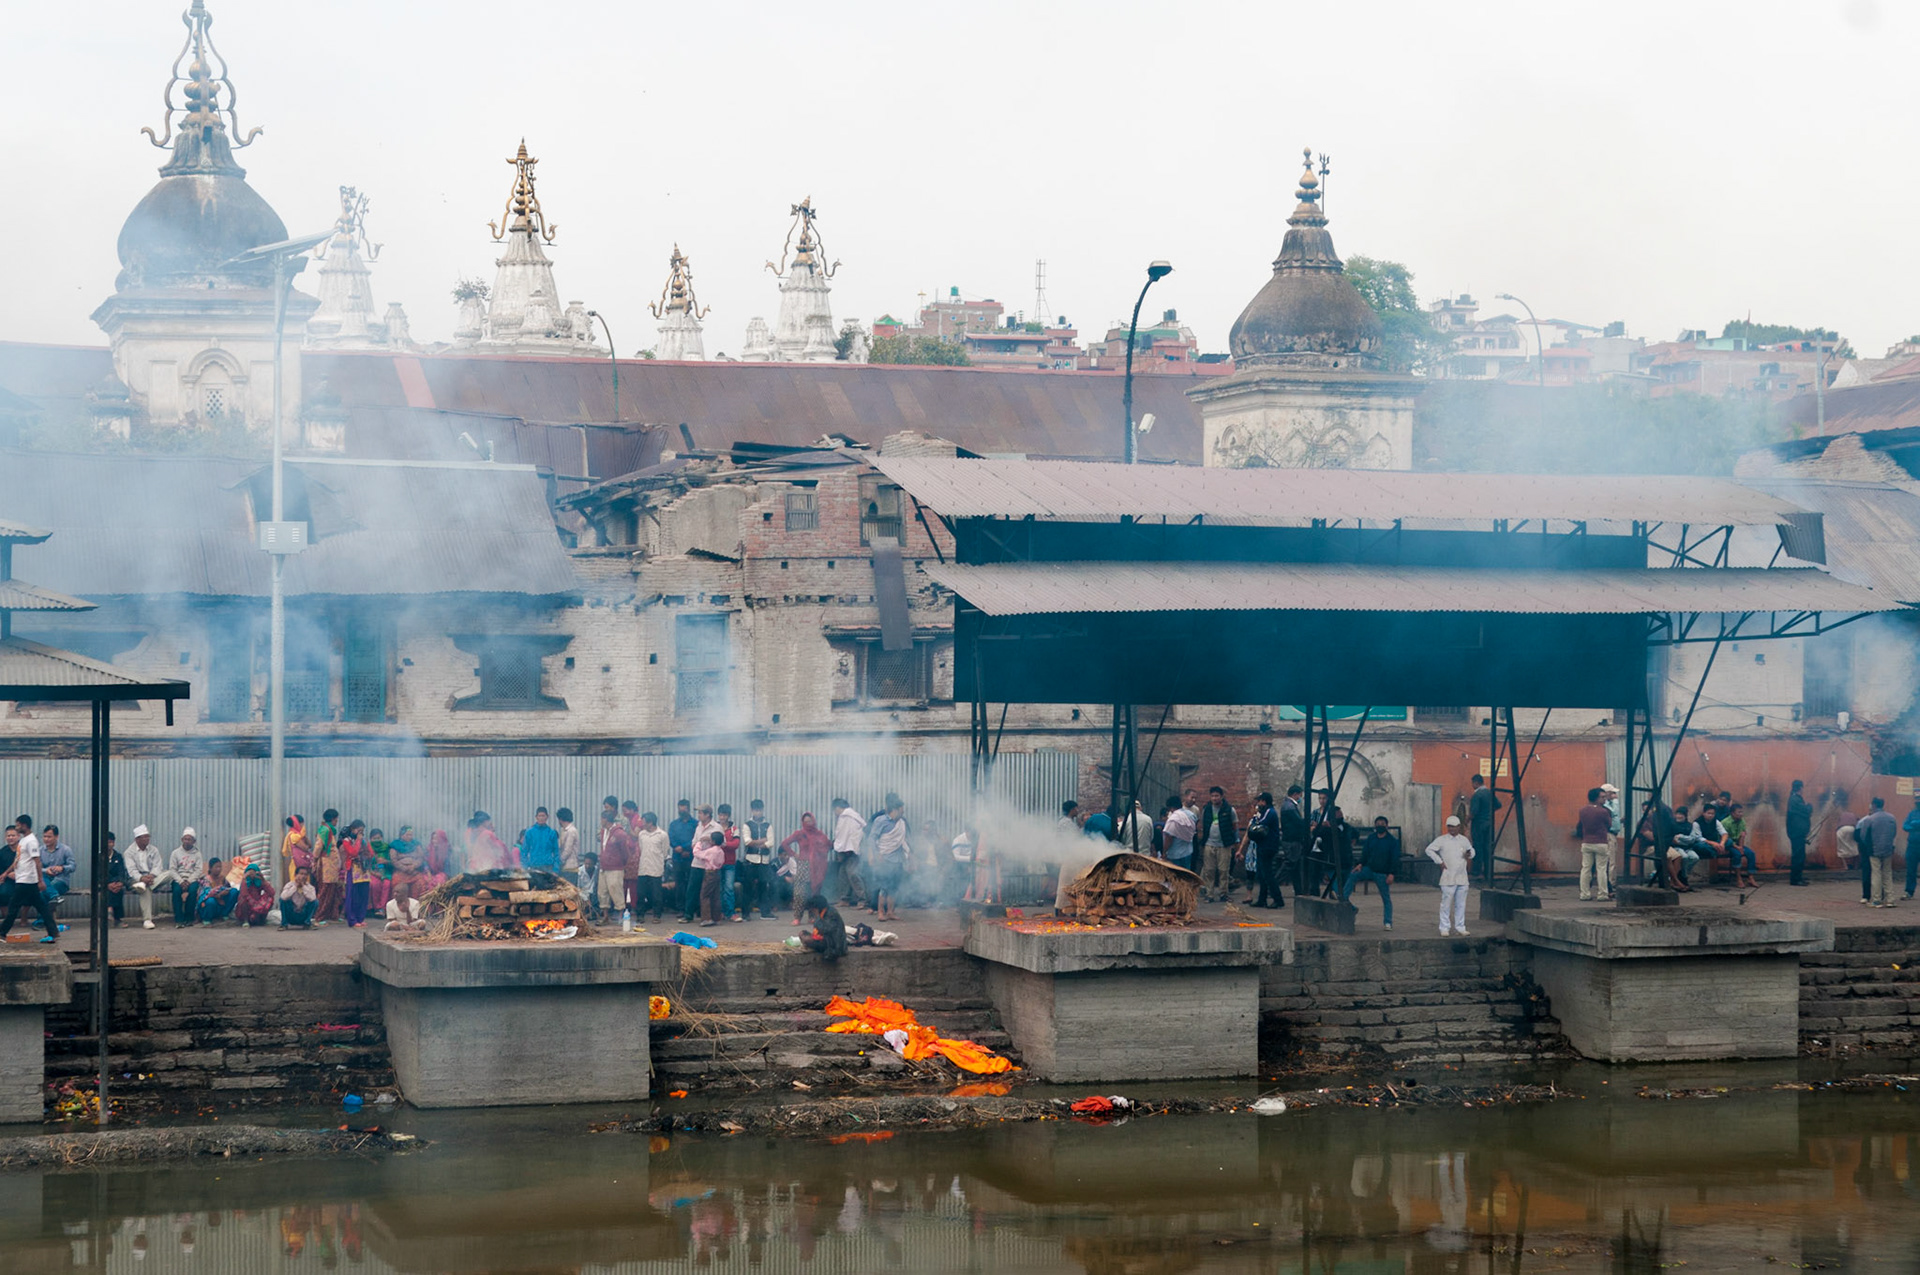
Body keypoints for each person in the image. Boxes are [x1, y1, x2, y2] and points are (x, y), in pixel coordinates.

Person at [0, 825, 63, 941]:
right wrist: (6, 873)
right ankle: (53, 931)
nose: (17, 827)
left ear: (24, 826)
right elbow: (17, 860)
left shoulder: (32, 841)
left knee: (13, 907)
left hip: (26, 880)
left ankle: (2, 932)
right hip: (24, 879)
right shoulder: (23, 841)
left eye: (18, 825)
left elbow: (37, 862)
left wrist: (40, 880)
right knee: (41, 907)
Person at [1341, 816, 1400, 930]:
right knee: (1353, 875)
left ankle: (1388, 922)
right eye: (1377, 824)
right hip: (1369, 869)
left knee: (1386, 898)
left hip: (1382, 873)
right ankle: (1344, 897)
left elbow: (1394, 858)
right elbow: (1365, 853)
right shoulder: (1371, 838)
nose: (1380, 826)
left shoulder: (1392, 841)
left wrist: (1391, 873)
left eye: (1382, 824)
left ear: (1387, 826)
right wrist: (1360, 864)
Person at [1425, 815, 1476, 937]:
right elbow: (1429, 850)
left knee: (1461, 904)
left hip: (1462, 877)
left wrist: (1469, 854)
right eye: (1449, 827)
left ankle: (1460, 927)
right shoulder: (1442, 840)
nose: (1452, 829)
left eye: (1454, 827)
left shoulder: (1463, 840)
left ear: (1459, 827)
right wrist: (1439, 861)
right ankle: (1444, 927)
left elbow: (1472, 851)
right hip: (1448, 877)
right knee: (1446, 903)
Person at [781, 813, 832, 922]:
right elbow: (785, 843)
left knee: (814, 892)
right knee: (800, 892)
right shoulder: (800, 834)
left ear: (814, 821)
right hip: (804, 865)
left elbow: (827, 845)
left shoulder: (820, 834)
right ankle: (797, 917)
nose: (809, 823)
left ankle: (812, 916)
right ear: (803, 823)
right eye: (806, 821)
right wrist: (794, 854)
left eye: (810, 821)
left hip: (817, 866)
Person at [869, 795, 909, 923]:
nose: (903, 812)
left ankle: (890, 911)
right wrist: (876, 854)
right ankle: (881, 911)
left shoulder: (901, 823)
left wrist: (908, 857)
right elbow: (872, 839)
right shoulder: (880, 821)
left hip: (898, 860)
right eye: (901, 810)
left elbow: (904, 841)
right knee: (884, 887)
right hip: (885, 859)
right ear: (895, 810)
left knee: (894, 887)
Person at [1242, 791, 1284, 909]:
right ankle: (1262, 899)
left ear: (1264, 801)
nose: (1258, 803)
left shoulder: (1269, 812)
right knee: (1262, 874)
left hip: (1268, 846)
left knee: (1268, 874)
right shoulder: (1264, 812)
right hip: (1262, 846)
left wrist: (1256, 816)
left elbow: (1259, 825)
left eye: (1259, 801)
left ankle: (1278, 899)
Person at [123, 825, 168, 929]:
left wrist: (151, 876)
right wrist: (142, 878)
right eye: (144, 837)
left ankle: (146, 884)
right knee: (144, 889)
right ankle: (147, 920)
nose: (147, 839)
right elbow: (131, 870)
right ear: (137, 839)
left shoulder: (154, 850)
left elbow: (158, 866)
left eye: (148, 836)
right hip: (136, 880)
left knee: (169, 874)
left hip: (152, 878)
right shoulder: (129, 852)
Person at [1574, 787, 1615, 902]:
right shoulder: (1603, 811)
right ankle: (1602, 894)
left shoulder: (1582, 810)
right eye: (1602, 797)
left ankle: (1584, 894)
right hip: (1601, 842)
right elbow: (1609, 825)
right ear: (1596, 798)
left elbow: (1581, 825)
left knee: (1585, 868)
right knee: (1601, 869)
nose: (1604, 799)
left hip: (1586, 842)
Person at [1197, 787, 1237, 902]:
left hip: (1224, 845)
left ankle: (1223, 893)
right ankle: (1209, 894)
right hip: (1209, 844)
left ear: (1221, 796)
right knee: (1209, 870)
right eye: (1212, 796)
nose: (1214, 798)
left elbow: (1235, 827)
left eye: (1217, 796)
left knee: (1224, 871)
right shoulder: (1207, 809)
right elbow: (1203, 825)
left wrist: (1234, 842)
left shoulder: (1229, 810)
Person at [596, 807, 634, 922]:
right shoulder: (604, 832)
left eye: (602, 819)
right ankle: (605, 916)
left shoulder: (619, 833)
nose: (601, 821)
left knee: (616, 890)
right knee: (602, 892)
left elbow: (625, 852)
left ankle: (621, 915)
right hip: (604, 866)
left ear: (606, 820)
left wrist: (622, 864)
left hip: (615, 867)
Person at [739, 800, 774, 920]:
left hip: (764, 861)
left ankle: (765, 912)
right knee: (747, 888)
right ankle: (745, 913)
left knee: (763, 887)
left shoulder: (768, 825)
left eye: (759, 810)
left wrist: (759, 843)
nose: (757, 812)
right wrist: (762, 841)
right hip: (750, 860)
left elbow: (771, 842)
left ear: (762, 810)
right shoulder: (747, 824)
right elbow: (747, 841)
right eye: (755, 810)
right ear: (752, 810)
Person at [829, 798, 867, 910]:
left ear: (838, 808)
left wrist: (840, 849)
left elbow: (843, 836)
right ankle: (844, 899)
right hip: (848, 850)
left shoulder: (846, 817)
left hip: (851, 851)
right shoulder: (853, 816)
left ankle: (862, 900)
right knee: (843, 875)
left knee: (853, 874)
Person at [1862, 796, 1899, 908]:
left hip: (1874, 849)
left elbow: (1863, 836)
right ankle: (1890, 899)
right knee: (1887, 873)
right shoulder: (1891, 818)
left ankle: (1877, 899)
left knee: (1876, 873)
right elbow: (1894, 833)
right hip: (1888, 849)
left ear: (1873, 805)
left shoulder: (1869, 819)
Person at [633, 811, 669, 921]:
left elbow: (665, 852)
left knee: (656, 894)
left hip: (656, 868)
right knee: (641, 893)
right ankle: (640, 915)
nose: (642, 824)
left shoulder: (662, 835)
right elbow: (641, 848)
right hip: (643, 867)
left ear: (651, 822)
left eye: (644, 822)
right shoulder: (642, 834)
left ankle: (657, 915)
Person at [169, 828, 206, 926]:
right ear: (182, 840)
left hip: (192, 879)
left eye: (189, 839)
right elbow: (172, 870)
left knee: (193, 891)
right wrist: (181, 881)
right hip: (178, 879)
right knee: (176, 891)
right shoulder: (175, 853)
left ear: (194, 841)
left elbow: (198, 870)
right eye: (185, 839)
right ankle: (179, 920)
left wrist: (189, 881)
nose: (187, 841)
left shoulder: (197, 854)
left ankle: (189, 918)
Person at [387, 826, 426, 920]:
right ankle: (397, 911)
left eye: (411, 834)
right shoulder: (395, 845)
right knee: (396, 884)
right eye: (407, 834)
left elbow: (421, 858)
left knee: (421, 883)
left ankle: (416, 910)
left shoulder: (416, 845)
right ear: (402, 835)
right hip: (400, 871)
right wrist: (404, 868)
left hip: (413, 871)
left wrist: (414, 866)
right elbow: (394, 860)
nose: (410, 836)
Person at [667, 799, 697, 915]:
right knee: (679, 884)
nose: (681, 809)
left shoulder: (695, 824)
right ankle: (680, 908)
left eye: (684, 807)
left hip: (691, 857)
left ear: (688, 808)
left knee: (691, 883)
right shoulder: (674, 824)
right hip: (677, 858)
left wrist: (685, 848)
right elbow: (671, 838)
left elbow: (696, 839)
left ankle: (691, 908)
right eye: (680, 807)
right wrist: (677, 848)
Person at [797, 894, 848, 961]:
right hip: (826, 939)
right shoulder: (821, 914)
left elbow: (826, 929)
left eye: (813, 909)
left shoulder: (832, 913)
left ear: (817, 907)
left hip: (834, 945)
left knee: (808, 940)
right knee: (802, 933)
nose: (812, 911)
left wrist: (817, 922)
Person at [694, 829, 726, 926]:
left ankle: (707, 918)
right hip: (717, 873)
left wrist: (699, 843)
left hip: (709, 873)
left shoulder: (710, 851)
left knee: (705, 895)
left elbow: (697, 853)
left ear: (713, 841)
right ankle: (716, 917)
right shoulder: (721, 851)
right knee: (715, 896)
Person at [1724, 802, 1761, 889]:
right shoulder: (1726, 822)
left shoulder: (1742, 821)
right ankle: (1738, 878)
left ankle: (1750, 877)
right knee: (1737, 855)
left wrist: (1740, 847)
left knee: (1751, 853)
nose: (1741, 814)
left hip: (1737, 844)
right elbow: (1725, 838)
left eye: (1742, 812)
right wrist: (1737, 848)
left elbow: (1742, 835)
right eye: (1739, 812)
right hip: (1728, 844)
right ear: (1732, 813)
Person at [37, 824, 75, 908]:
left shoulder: (66, 850)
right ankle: (55, 896)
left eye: (49, 837)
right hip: (46, 879)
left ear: (56, 837)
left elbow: (73, 866)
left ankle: (43, 919)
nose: (46, 839)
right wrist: (46, 870)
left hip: (61, 880)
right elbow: (37, 867)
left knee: (43, 893)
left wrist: (62, 868)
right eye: (44, 836)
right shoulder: (40, 850)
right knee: (41, 876)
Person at [101, 831, 133, 928]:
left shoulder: (118, 856)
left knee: (118, 889)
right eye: (107, 842)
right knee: (108, 889)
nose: (109, 844)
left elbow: (121, 871)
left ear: (114, 843)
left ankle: (111, 912)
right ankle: (116, 918)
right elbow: (99, 874)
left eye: (111, 842)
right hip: (103, 883)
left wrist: (120, 882)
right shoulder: (99, 856)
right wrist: (107, 883)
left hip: (116, 883)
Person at [1468, 773, 1500, 868]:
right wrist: (1489, 811)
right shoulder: (1490, 793)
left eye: (1472, 783)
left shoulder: (1477, 795)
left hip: (1478, 825)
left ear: (1476, 783)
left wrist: (1467, 820)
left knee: (1477, 847)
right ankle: (1488, 871)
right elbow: (1498, 805)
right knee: (1487, 847)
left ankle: (1476, 871)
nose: (1472, 785)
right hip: (1489, 824)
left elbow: (1474, 811)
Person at [1161, 793, 1199, 871]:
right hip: (1188, 852)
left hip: (1175, 854)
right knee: (1186, 876)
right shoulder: (1191, 815)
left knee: (1176, 877)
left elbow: (1169, 837)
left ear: (1170, 808)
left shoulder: (1173, 819)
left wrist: (1164, 852)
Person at [1786, 780, 1813, 886]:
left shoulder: (1794, 799)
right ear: (1800, 788)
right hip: (1797, 833)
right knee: (1798, 856)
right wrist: (1809, 806)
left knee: (1800, 855)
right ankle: (1795, 879)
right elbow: (1805, 811)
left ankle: (1798, 877)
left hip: (1797, 832)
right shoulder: (1795, 799)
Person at [518, 807, 561, 873]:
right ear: (536, 817)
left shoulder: (551, 833)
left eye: (543, 816)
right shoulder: (529, 832)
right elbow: (524, 851)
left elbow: (556, 852)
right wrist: (525, 867)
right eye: (539, 816)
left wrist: (555, 869)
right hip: (533, 867)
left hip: (548, 867)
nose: (541, 818)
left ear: (547, 817)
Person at [195, 858, 239, 924]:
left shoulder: (222, 878)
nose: (219, 869)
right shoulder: (205, 879)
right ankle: (207, 919)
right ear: (210, 868)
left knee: (234, 892)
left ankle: (224, 913)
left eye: (220, 867)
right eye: (216, 867)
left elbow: (228, 888)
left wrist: (224, 892)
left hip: (220, 903)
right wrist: (219, 893)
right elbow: (205, 894)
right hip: (208, 905)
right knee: (210, 901)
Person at [555, 808, 582, 888]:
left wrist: (559, 861)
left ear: (560, 819)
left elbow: (567, 850)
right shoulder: (564, 830)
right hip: (565, 868)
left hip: (570, 868)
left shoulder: (571, 831)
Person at [1906, 797, 1920, 901]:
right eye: (1916, 800)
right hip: (1912, 845)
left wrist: (1915, 824)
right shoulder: (1912, 813)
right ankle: (1909, 891)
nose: (1917, 802)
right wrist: (1914, 827)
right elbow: (1905, 826)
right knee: (1911, 869)